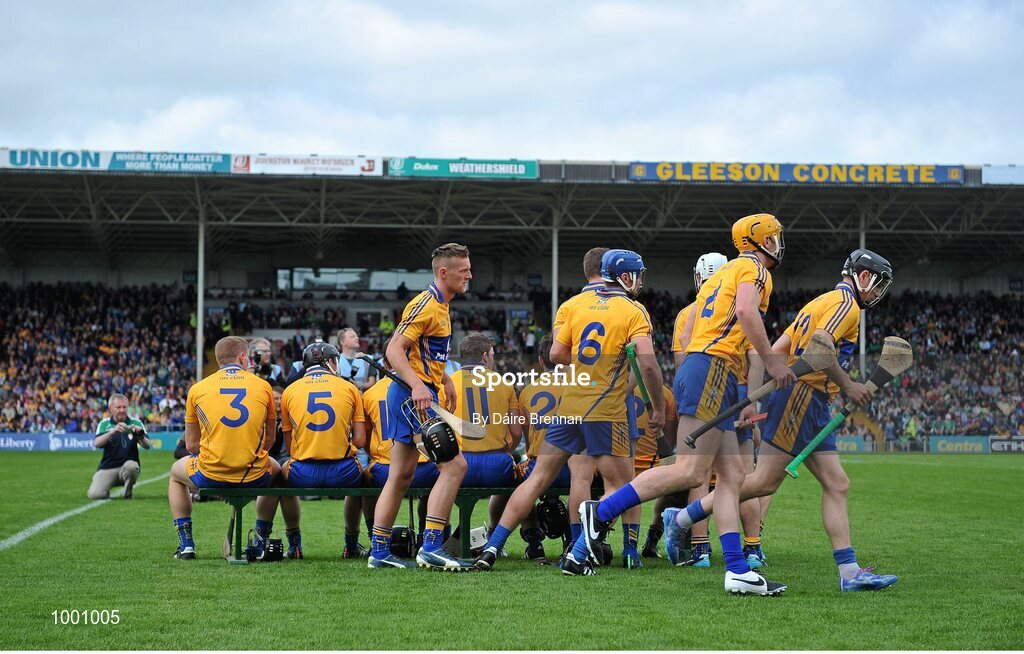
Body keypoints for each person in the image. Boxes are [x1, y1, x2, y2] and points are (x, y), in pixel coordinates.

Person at [572, 214, 794, 594]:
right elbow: (744, 313)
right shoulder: (755, 270)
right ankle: (602, 511)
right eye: (773, 236)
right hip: (713, 368)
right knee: (692, 472)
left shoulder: (728, 272)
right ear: (759, 240)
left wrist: (741, 393)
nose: (777, 242)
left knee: (731, 478)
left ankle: (738, 570)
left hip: (714, 370)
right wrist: (773, 361)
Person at [671, 249, 899, 592]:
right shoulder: (846, 304)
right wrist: (848, 385)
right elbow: (821, 349)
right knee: (762, 483)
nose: (878, 293)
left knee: (837, 483)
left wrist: (767, 392)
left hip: (810, 400)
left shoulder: (819, 303)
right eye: (878, 284)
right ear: (863, 276)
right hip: (802, 400)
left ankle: (850, 572)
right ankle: (683, 518)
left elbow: (779, 348)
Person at [476, 248, 664, 573]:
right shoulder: (633, 310)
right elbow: (647, 363)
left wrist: (588, 364)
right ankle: (584, 552)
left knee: (537, 480)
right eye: (638, 275)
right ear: (626, 276)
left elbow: (557, 353)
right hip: (605, 408)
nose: (641, 282)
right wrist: (656, 406)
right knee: (621, 487)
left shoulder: (573, 305)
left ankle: (492, 548)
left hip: (569, 404)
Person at [368, 243, 475, 570]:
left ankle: (379, 552)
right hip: (413, 399)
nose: (470, 274)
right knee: (455, 467)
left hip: (417, 394)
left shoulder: (441, 305)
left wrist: (442, 380)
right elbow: (393, 350)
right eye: (464, 270)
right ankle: (431, 547)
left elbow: (424, 353)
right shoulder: (426, 304)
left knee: (400, 475)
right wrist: (419, 385)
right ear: (444, 273)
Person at [167, 336, 288, 560]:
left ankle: (186, 545)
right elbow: (269, 440)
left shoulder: (198, 388)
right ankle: (260, 537)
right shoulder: (263, 387)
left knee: (175, 474)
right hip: (252, 473)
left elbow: (192, 445)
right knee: (279, 472)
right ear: (242, 357)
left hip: (210, 473)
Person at [259, 342, 367, 559]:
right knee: (365, 479)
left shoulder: (290, 391)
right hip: (343, 471)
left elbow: (290, 447)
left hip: (302, 472)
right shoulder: (349, 388)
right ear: (328, 361)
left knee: (279, 478)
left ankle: (290, 544)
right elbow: (361, 440)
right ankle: (352, 544)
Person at [451, 332, 523, 533]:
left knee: (440, 479)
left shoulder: (447, 384)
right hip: (496, 467)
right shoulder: (504, 383)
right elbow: (516, 432)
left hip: (459, 466)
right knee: (524, 483)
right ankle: (530, 541)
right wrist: (506, 450)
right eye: (492, 355)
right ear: (484, 356)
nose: (493, 359)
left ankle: (439, 537)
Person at [87, 393, 151, 499]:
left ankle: (128, 492)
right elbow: (97, 443)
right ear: (111, 409)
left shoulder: (135, 423)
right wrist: (112, 432)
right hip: (108, 467)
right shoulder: (104, 424)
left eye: (124, 407)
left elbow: (147, 445)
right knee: (95, 494)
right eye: (118, 407)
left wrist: (139, 435)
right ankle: (104, 490)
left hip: (128, 466)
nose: (122, 410)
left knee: (132, 466)